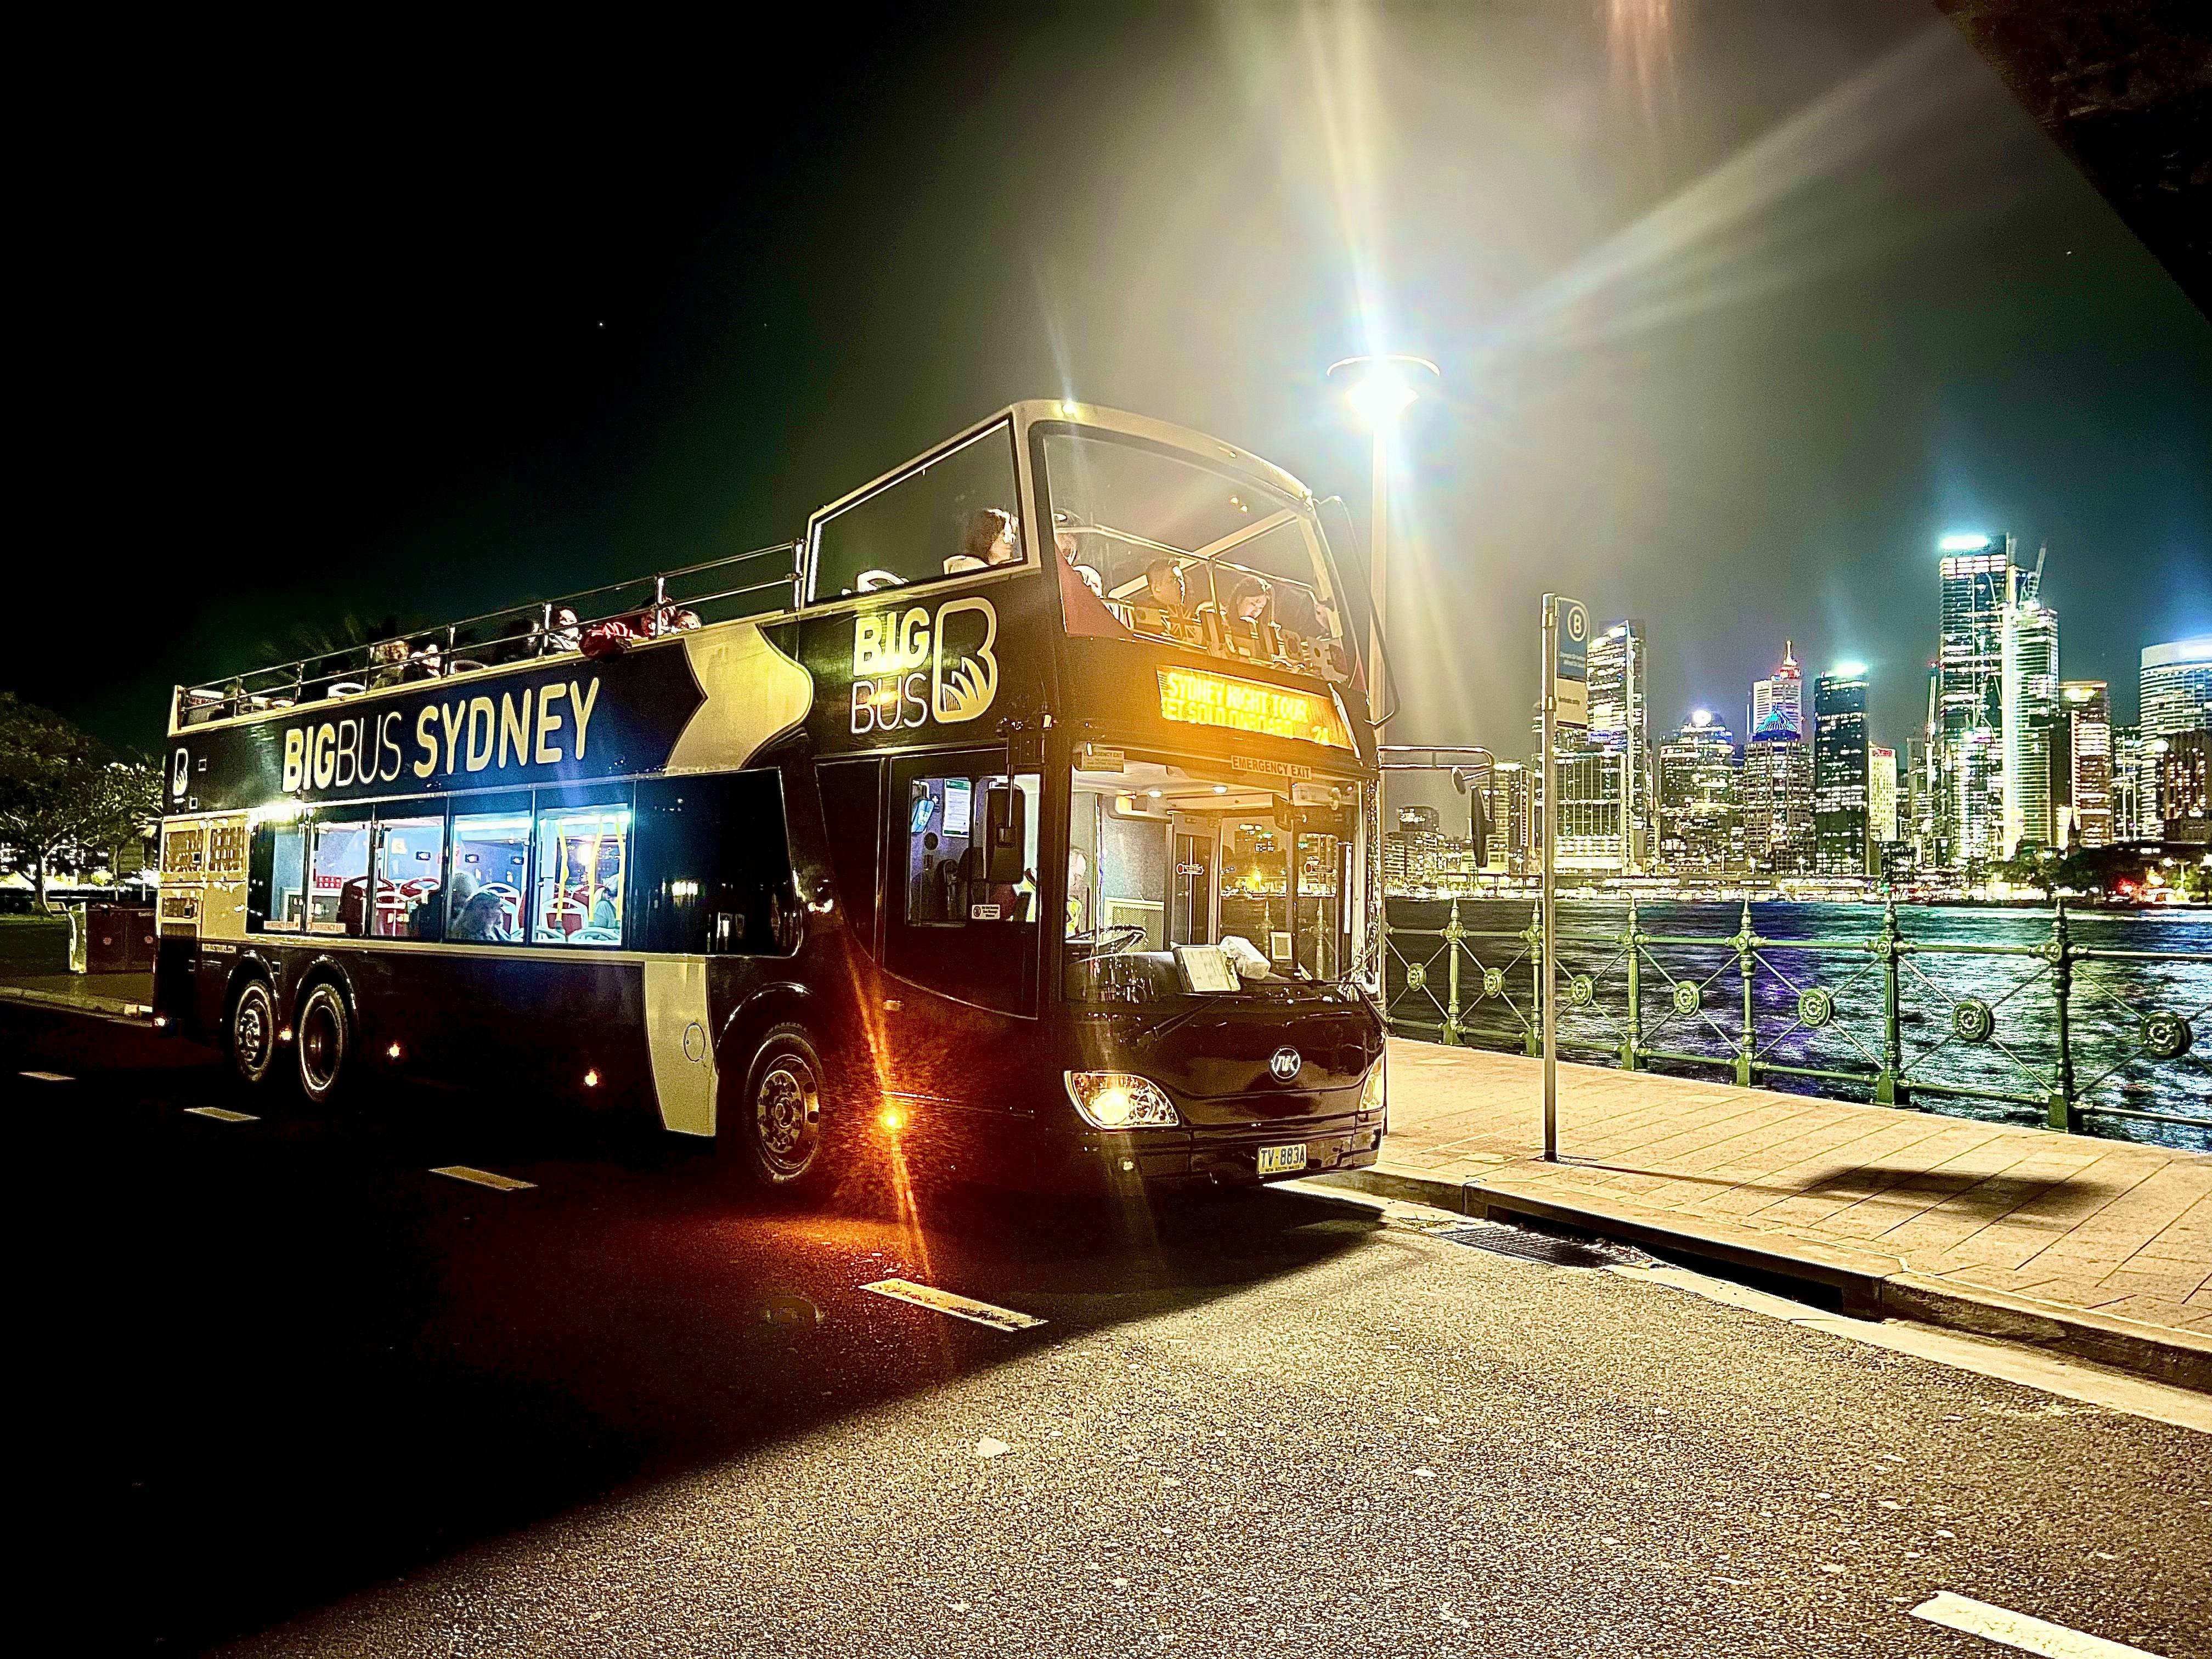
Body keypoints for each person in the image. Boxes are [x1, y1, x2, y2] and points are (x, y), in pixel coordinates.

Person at [945, 507, 1019, 574]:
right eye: (1004, 534)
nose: (1010, 541)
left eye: (1011, 535)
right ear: (987, 536)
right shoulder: (966, 568)